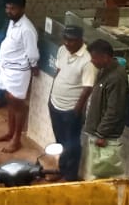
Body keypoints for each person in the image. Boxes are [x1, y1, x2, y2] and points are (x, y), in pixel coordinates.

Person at [0, 0, 39, 153]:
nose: (9, 11)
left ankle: (16, 139)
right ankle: (10, 132)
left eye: (13, 8)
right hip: (7, 69)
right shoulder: (13, 22)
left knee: (17, 104)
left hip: (19, 72)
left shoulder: (27, 29)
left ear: (22, 9)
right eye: (7, 8)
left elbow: (32, 52)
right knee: (9, 100)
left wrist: (34, 66)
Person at [48, 25, 96, 180]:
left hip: (71, 109)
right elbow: (58, 71)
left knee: (72, 144)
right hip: (55, 104)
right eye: (66, 39)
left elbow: (88, 88)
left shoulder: (88, 60)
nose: (68, 43)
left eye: (72, 41)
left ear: (81, 40)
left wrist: (77, 110)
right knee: (60, 140)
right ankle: (61, 168)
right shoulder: (62, 50)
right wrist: (51, 96)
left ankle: (70, 176)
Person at [83, 39, 129, 179]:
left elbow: (114, 110)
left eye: (94, 58)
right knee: (96, 172)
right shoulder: (103, 70)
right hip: (97, 132)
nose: (92, 61)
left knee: (102, 175)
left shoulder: (116, 77)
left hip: (105, 137)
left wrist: (102, 134)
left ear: (105, 57)